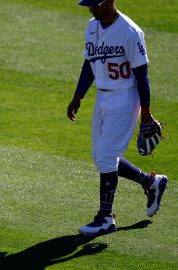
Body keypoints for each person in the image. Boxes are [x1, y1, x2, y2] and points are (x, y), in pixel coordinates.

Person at [67, 0, 168, 236]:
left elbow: (142, 75)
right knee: (101, 156)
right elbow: (89, 63)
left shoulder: (131, 32)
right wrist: (78, 96)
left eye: (96, 4)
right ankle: (150, 182)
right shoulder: (92, 26)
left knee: (105, 156)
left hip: (124, 98)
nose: (92, 8)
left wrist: (146, 113)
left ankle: (105, 217)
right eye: (89, 4)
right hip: (102, 98)